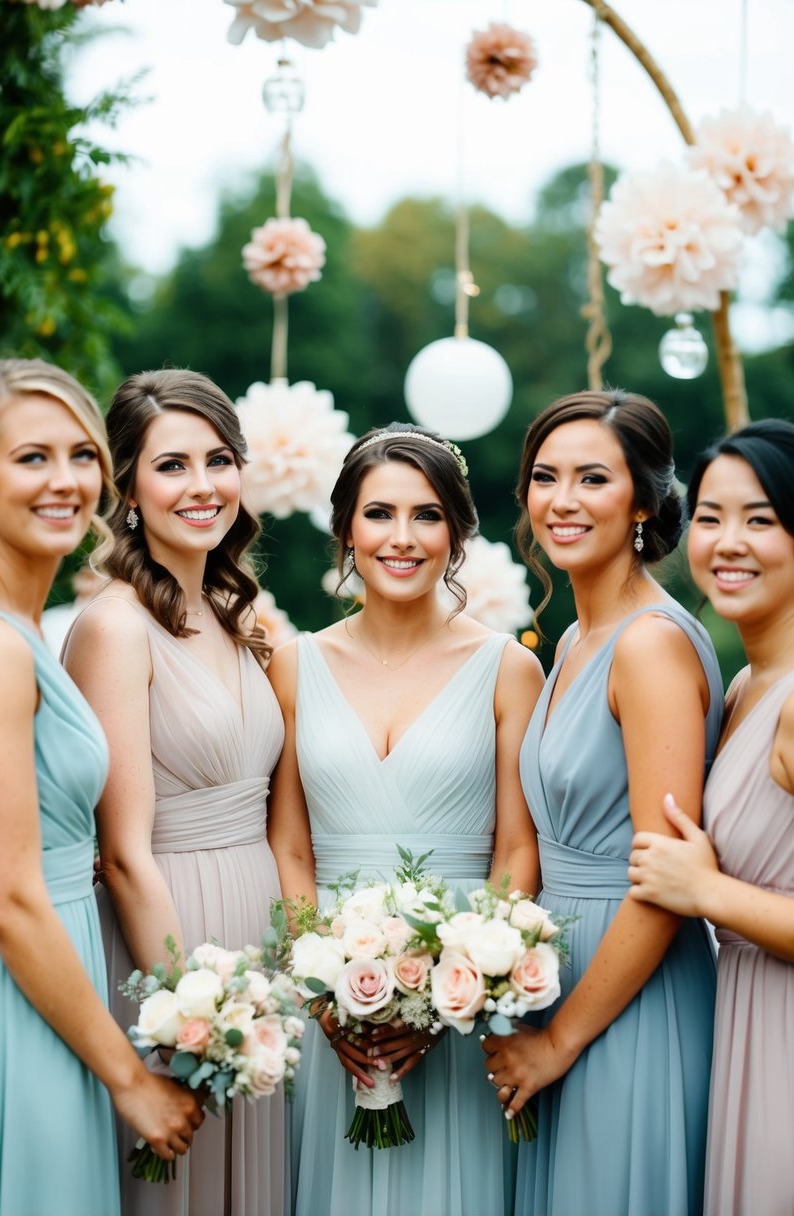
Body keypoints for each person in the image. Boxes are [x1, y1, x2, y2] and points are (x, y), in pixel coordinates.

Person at [267, 422, 545, 1216]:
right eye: (378, 513)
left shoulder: (508, 668)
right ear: (345, 529)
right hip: (329, 994)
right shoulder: (295, 663)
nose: (401, 537)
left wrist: (459, 987)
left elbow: (515, 847)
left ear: (456, 533)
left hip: (459, 1004)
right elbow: (288, 843)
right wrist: (322, 987)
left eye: (426, 515)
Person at [0, 359, 203, 1216]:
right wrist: (129, 1079)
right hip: (5, 993)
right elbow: (8, 899)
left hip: (57, 981)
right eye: (31, 458)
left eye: (81, 455)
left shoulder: (25, 627)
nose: (65, 481)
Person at [483, 390, 725, 1216]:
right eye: (544, 478)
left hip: (628, 997)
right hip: (563, 975)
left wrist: (559, 1040)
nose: (562, 500)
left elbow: (664, 879)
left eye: (592, 478)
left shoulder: (649, 646)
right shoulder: (572, 640)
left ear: (644, 502)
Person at [62, 368, 285, 1216]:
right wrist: (190, 1014)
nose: (202, 486)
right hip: (176, 949)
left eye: (218, 460)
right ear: (126, 486)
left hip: (258, 945)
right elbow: (122, 854)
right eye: (171, 465)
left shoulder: (237, 617)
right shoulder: (115, 627)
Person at [628, 419, 794, 1216]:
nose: (728, 542)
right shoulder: (744, 689)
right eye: (709, 516)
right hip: (744, 1022)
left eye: (759, 519)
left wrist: (708, 893)